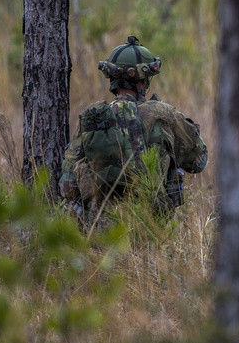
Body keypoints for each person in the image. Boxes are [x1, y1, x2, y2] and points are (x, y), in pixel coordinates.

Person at [59, 36, 208, 222]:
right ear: (144, 81)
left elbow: (67, 185)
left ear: (111, 79)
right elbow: (198, 162)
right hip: (150, 228)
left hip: (100, 229)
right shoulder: (163, 113)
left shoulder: (92, 118)